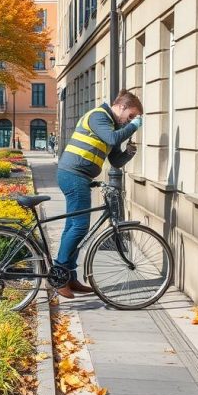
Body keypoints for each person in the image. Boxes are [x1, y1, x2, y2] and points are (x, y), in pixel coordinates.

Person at [56, 90, 143, 299]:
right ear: (121, 107)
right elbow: (112, 138)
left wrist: (129, 152)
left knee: (74, 227)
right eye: (130, 116)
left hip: (79, 177)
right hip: (73, 175)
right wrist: (134, 126)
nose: (129, 121)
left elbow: (115, 161)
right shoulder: (98, 117)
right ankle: (58, 277)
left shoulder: (111, 125)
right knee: (79, 227)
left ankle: (69, 277)